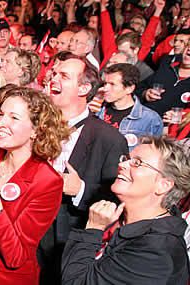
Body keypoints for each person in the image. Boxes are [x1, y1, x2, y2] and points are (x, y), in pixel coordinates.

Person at [0, 85, 71, 285]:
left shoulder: (47, 181)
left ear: (36, 130)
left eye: (14, 118)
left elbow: (15, 255)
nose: (0, 123)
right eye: (0, 114)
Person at [40, 52, 128, 285]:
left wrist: (80, 189)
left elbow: (116, 200)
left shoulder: (108, 138)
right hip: (28, 231)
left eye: (64, 76)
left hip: (66, 242)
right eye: (54, 73)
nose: (53, 79)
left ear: (83, 88)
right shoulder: (36, 124)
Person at [61, 136, 190, 284]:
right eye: (127, 158)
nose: (122, 164)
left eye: (137, 163)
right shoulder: (119, 216)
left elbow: (76, 282)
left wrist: (93, 229)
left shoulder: (156, 251)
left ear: (163, 185)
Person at [98, 63, 163, 151]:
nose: (105, 88)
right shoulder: (97, 110)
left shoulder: (149, 119)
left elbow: (151, 153)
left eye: (112, 84)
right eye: (105, 84)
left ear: (129, 88)